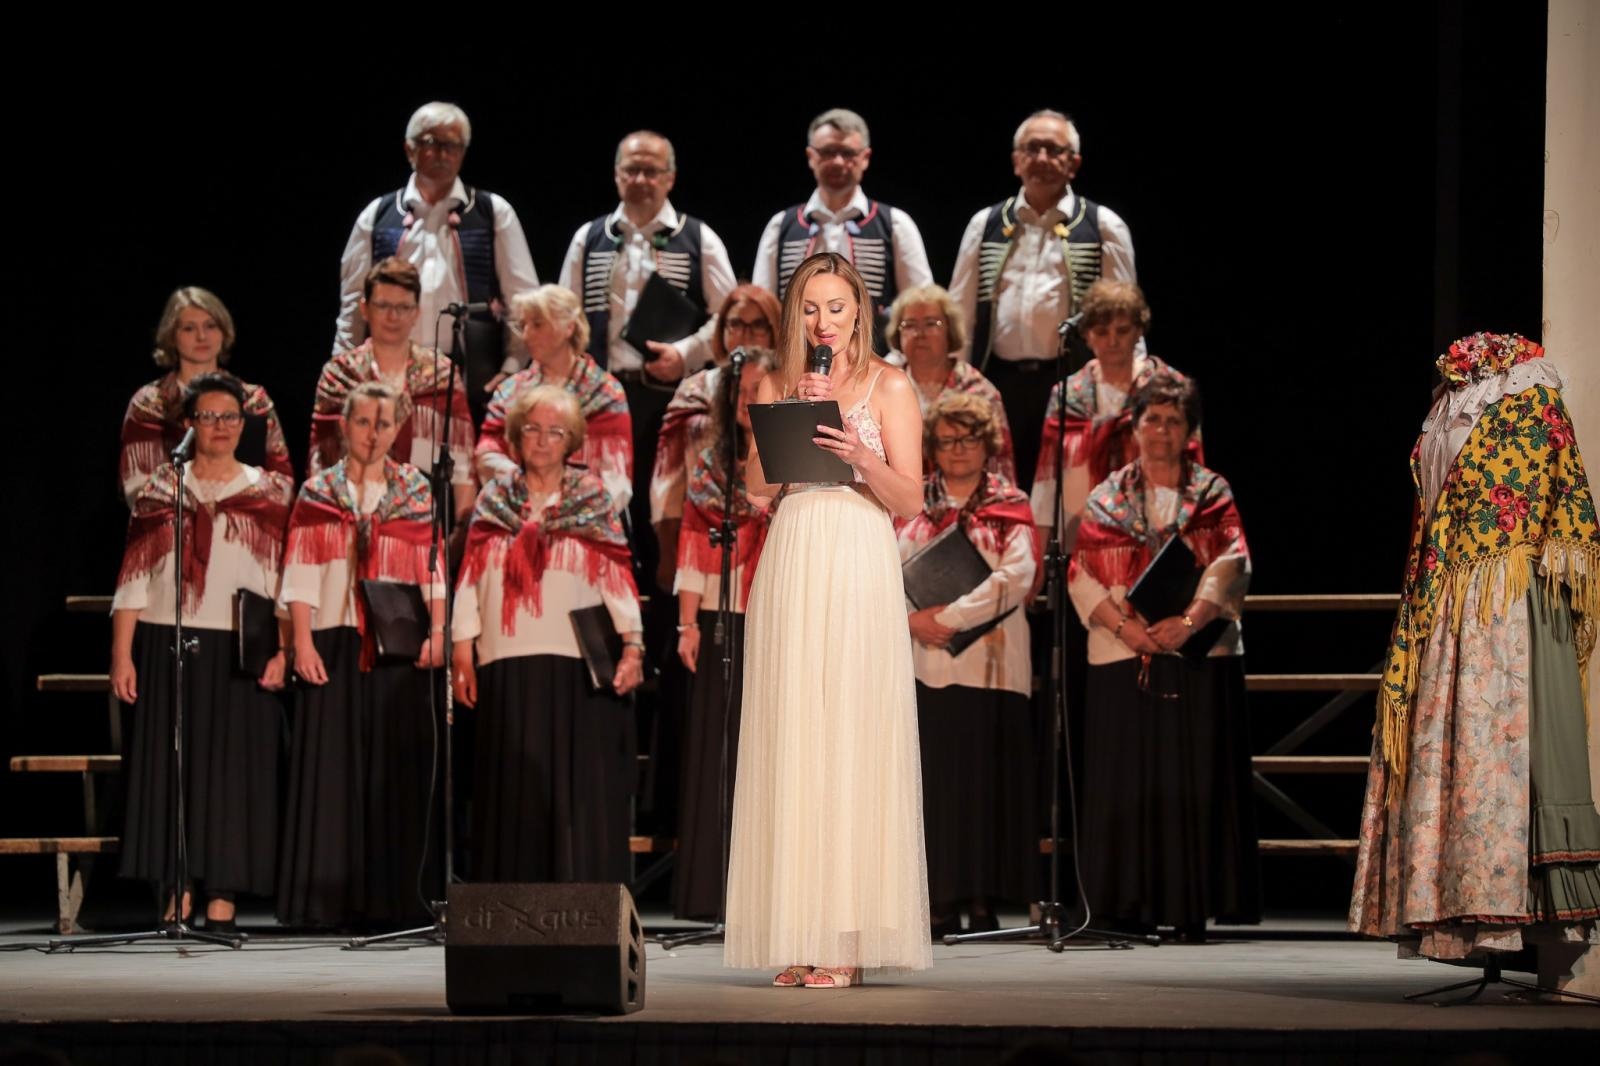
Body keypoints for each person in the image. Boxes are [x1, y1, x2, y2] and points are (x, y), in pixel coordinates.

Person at [1350, 332, 1600, 963]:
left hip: (1506, 604)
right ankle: (1451, 911)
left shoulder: (1530, 398)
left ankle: (1508, 906)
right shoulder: (1446, 404)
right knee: (1449, 754)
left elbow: (1551, 504)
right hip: (1442, 601)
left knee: (1499, 751)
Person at [724, 252, 932, 987]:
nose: (823, 322)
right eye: (810, 308)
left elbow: (911, 499)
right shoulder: (778, 381)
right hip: (795, 548)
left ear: (859, 312)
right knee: (794, 738)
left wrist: (857, 449)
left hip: (856, 548)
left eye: (836, 308)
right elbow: (757, 487)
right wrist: (791, 417)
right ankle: (800, 931)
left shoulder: (890, 385)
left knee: (848, 736)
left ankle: (845, 936)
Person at [1068, 374, 1257, 941]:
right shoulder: (1106, 496)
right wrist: (1128, 627)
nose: (1162, 431)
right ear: (1134, 427)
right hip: (1121, 652)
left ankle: (1190, 906)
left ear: (1189, 431)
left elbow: (1233, 560)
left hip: (1198, 652)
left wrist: (1188, 621)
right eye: (1152, 419)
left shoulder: (1212, 490)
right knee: (1127, 781)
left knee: (1193, 782)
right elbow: (1081, 573)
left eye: (1174, 421)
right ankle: (1127, 905)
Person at [111, 373, 293, 932]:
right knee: (174, 769)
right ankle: (177, 884)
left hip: (240, 646)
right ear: (189, 424)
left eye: (230, 417)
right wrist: (122, 654)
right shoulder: (163, 488)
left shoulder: (269, 491)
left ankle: (223, 892)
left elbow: (284, 581)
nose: (220, 426)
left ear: (244, 425)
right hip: (168, 636)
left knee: (234, 773)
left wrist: (283, 651)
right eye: (209, 417)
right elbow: (134, 576)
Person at [453, 386, 644, 882]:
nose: (542, 440)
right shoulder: (494, 499)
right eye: (532, 429)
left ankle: (578, 900)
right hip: (504, 658)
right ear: (516, 437)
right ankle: (509, 900)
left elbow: (616, 576)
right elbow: (470, 578)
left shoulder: (592, 497)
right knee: (510, 785)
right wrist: (462, 649)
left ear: (572, 441)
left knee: (574, 789)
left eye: (555, 432)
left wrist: (632, 644)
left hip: (575, 662)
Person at [276, 382, 446, 930]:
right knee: (331, 769)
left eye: (384, 424)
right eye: (364, 422)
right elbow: (300, 572)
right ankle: (325, 901)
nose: (373, 434)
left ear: (398, 430)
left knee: (391, 772)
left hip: (396, 641)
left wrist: (438, 630)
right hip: (333, 637)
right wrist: (302, 642)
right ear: (344, 426)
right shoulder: (318, 491)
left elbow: (433, 568)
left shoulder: (415, 489)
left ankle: (395, 901)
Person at [895, 392, 1038, 938]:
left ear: (988, 445)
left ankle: (982, 901)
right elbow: (881, 566)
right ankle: (935, 901)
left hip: (990, 665)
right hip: (922, 665)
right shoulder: (909, 501)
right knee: (934, 787)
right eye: (948, 439)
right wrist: (912, 621)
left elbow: (1017, 577)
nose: (958, 449)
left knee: (984, 786)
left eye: (969, 438)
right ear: (932, 447)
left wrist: (948, 618)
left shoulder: (1010, 502)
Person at [948, 109, 1137, 492]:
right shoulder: (986, 223)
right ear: (1016, 160)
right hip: (997, 382)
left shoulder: (1103, 225)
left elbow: (1125, 314)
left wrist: (1130, 382)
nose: (1042, 158)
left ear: (1074, 163)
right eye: (1032, 148)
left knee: (1068, 491)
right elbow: (961, 313)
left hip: (1073, 382)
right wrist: (955, 382)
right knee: (998, 489)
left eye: (1054, 149)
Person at [334, 101, 540, 421]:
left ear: (463, 152)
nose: (443, 153)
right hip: (388, 374)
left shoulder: (492, 212)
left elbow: (523, 301)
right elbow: (353, 305)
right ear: (410, 149)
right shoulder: (377, 215)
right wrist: (344, 371)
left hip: (471, 374)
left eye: (453, 145)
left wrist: (513, 369)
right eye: (432, 142)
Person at [670, 348, 776, 922]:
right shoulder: (712, 465)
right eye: (741, 389)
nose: (748, 399)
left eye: (760, 389)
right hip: (721, 610)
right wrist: (687, 623)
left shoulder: (791, 455)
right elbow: (692, 546)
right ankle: (711, 890)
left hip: (776, 606)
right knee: (718, 747)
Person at [1030, 279, 1196, 548]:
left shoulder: (1167, 389)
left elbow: (1193, 467)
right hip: (1083, 530)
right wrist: (1041, 548)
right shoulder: (1068, 395)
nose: (1113, 341)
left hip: (1155, 528)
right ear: (1087, 335)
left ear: (1139, 331)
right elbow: (1047, 481)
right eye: (1101, 331)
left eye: (1122, 330)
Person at [752, 108, 933, 352]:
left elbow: (921, 304)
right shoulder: (781, 226)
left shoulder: (896, 224)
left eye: (847, 153)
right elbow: (762, 308)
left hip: (875, 362)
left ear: (865, 157)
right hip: (796, 362)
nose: (838, 161)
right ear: (811, 156)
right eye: (828, 152)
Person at [310, 258, 475, 520]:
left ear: (417, 312)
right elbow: (320, 457)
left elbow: (462, 462)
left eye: (403, 307)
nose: (393, 316)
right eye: (383, 305)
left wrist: (461, 529)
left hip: (421, 519)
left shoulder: (440, 373)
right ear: (364, 309)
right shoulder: (340, 374)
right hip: (347, 512)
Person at [651, 284, 782, 590]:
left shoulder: (787, 388)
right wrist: (667, 543)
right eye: (735, 324)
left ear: (774, 331)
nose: (745, 334)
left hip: (770, 528)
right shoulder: (695, 389)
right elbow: (668, 477)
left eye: (758, 325)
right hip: (704, 525)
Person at [120, 287, 291, 506]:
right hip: (173, 517)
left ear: (224, 331)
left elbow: (282, 479)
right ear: (171, 336)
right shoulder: (151, 403)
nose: (202, 336)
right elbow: (138, 486)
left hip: (246, 515)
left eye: (211, 326)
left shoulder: (252, 400)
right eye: (189, 328)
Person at [476, 286, 632, 510]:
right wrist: (525, 488)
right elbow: (487, 451)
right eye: (523, 326)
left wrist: (566, 509)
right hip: (516, 507)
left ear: (569, 327)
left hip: (586, 513)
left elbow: (615, 475)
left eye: (537, 324)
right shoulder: (510, 391)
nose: (526, 335)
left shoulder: (603, 391)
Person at [884, 284, 1014, 481]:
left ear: (949, 331)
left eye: (931, 324)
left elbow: (1000, 464)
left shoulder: (980, 391)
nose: (920, 334)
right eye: (909, 325)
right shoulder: (883, 386)